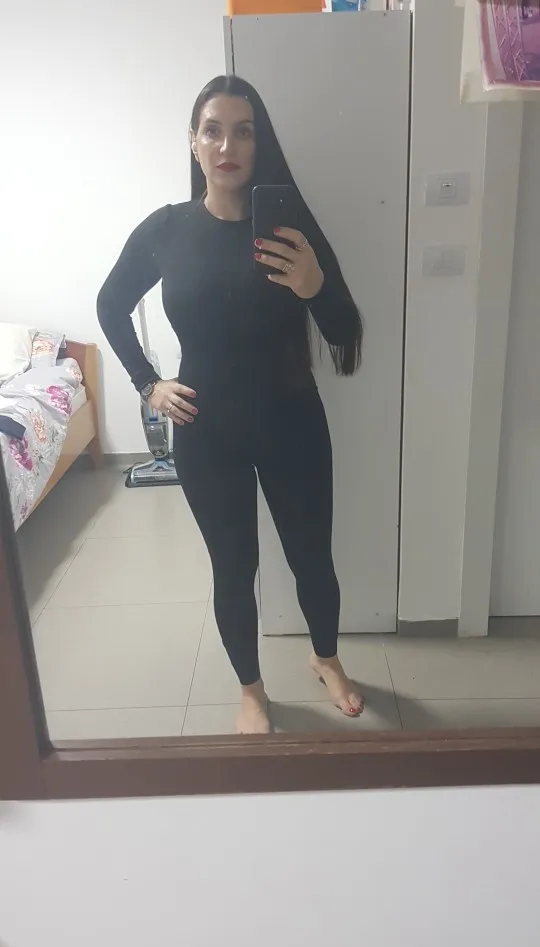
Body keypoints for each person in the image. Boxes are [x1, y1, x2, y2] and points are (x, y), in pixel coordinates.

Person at [97, 75, 365, 734]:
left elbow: (345, 330)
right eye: (213, 130)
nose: (227, 145)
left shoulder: (289, 226)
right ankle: (251, 690)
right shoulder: (167, 229)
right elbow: (110, 304)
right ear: (193, 141)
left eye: (243, 131)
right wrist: (147, 382)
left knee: (312, 559)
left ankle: (326, 658)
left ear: (258, 142)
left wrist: (314, 285)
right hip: (206, 431)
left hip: (293, 422)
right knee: (233, 568)